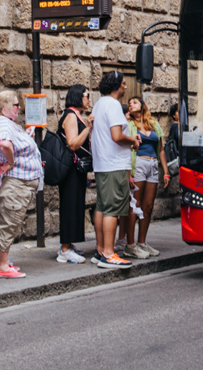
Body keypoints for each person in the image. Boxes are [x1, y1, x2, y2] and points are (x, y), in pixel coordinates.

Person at [0, 91, 42, 279]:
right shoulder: (1, 122)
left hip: (15, 182)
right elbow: (3, 143)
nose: (19, 108)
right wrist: (10, 162)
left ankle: (3, 262)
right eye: (16, 105)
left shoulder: (1, 121)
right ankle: (2, 266)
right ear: (5, 107)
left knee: (9, 220)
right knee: (8, 222)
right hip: (13, 182)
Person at [90, 71, 141, 269]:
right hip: (114, 164)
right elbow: (117, 136)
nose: (126, 87)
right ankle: (110, 254)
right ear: (116, 86)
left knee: (102, 207)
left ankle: (101, 250)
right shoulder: (112, 105)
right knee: (112, 209)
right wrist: (133, 140)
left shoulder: (99, 103)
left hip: (103, 164)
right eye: (123, 84)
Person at [123, 98, 170, 259]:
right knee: (134, 206)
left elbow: (161, 149)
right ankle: (130, 245)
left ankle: (142, 242)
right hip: (139, 163)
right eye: (129, 103)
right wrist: (129, 173)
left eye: (135, 102)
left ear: (143, 106)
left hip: (153, 165)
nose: (131, 104)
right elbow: (126, 150)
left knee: (148, 206)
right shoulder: (129, 125)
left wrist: (165, 171)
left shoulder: (154, 124)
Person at [53, 85, 91, 264]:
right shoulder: (70, 115)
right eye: (86, 96)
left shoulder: (75, 115)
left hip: (77, 169)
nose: (89, 99)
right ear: (77, 97)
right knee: (70, 206)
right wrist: (88, 128)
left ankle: (69, 244)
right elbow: (73, 143)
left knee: (76, 205)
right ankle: (65, 249)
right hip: (71, 170)